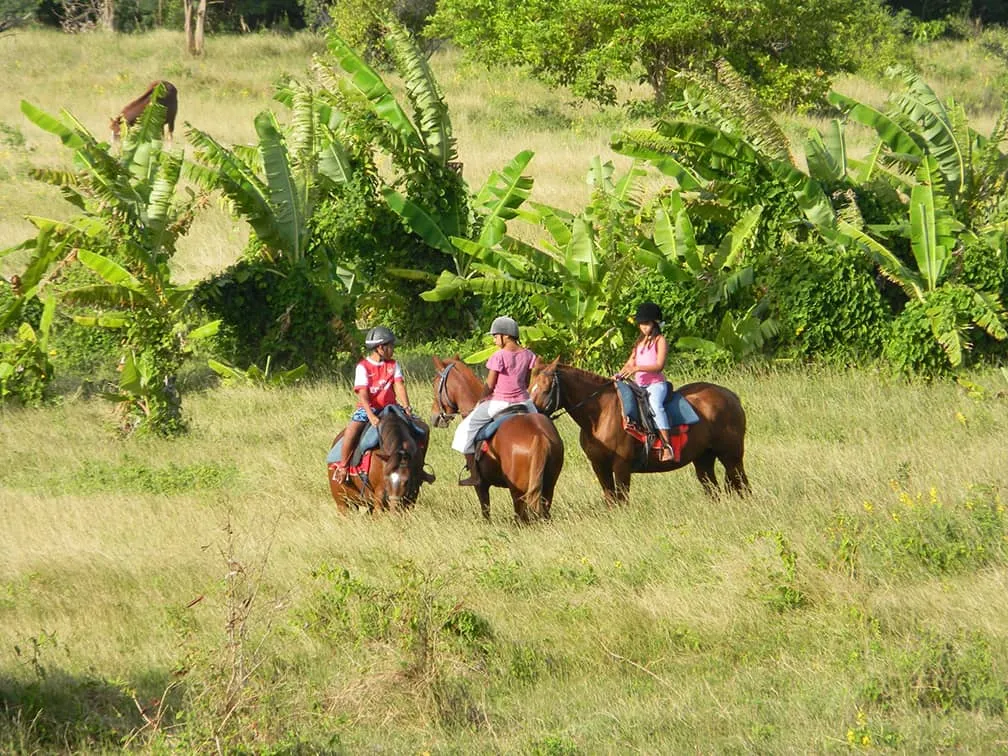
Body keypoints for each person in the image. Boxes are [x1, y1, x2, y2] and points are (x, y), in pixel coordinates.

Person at [452, 316, 538, 486]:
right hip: (525, 402)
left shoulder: (498, 356)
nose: (493, 339)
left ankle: (474, 474)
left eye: (495, 336)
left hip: (499, 403)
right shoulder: (529, 355)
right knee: (543, 424)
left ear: (505, 336)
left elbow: (490, 384)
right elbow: (527, 382)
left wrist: (481, 400)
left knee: (464, 431)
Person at [332, 325, 419, 484]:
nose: (393, 349)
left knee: (420, 429)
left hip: (390, 408)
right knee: (352, 430)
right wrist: (371, 416)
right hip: (369, 408)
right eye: (390, 345)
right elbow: (363, 394)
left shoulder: (393, 365)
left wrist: (407, 407)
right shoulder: (363, 367)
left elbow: (399, 385)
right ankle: (343, 466)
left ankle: (420, 469)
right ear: (380, 348)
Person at [616, 302, 675, 462]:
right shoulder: (639, 343)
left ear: (655, 323)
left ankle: (667, 445)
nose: (643, 327)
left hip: (656, 385)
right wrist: (618, 375)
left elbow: (659, 365)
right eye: (641, 324)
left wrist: (637, 368)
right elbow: (629, 364)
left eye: (647, 323)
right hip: (639, 386)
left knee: (656, 406)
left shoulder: (660, 340)